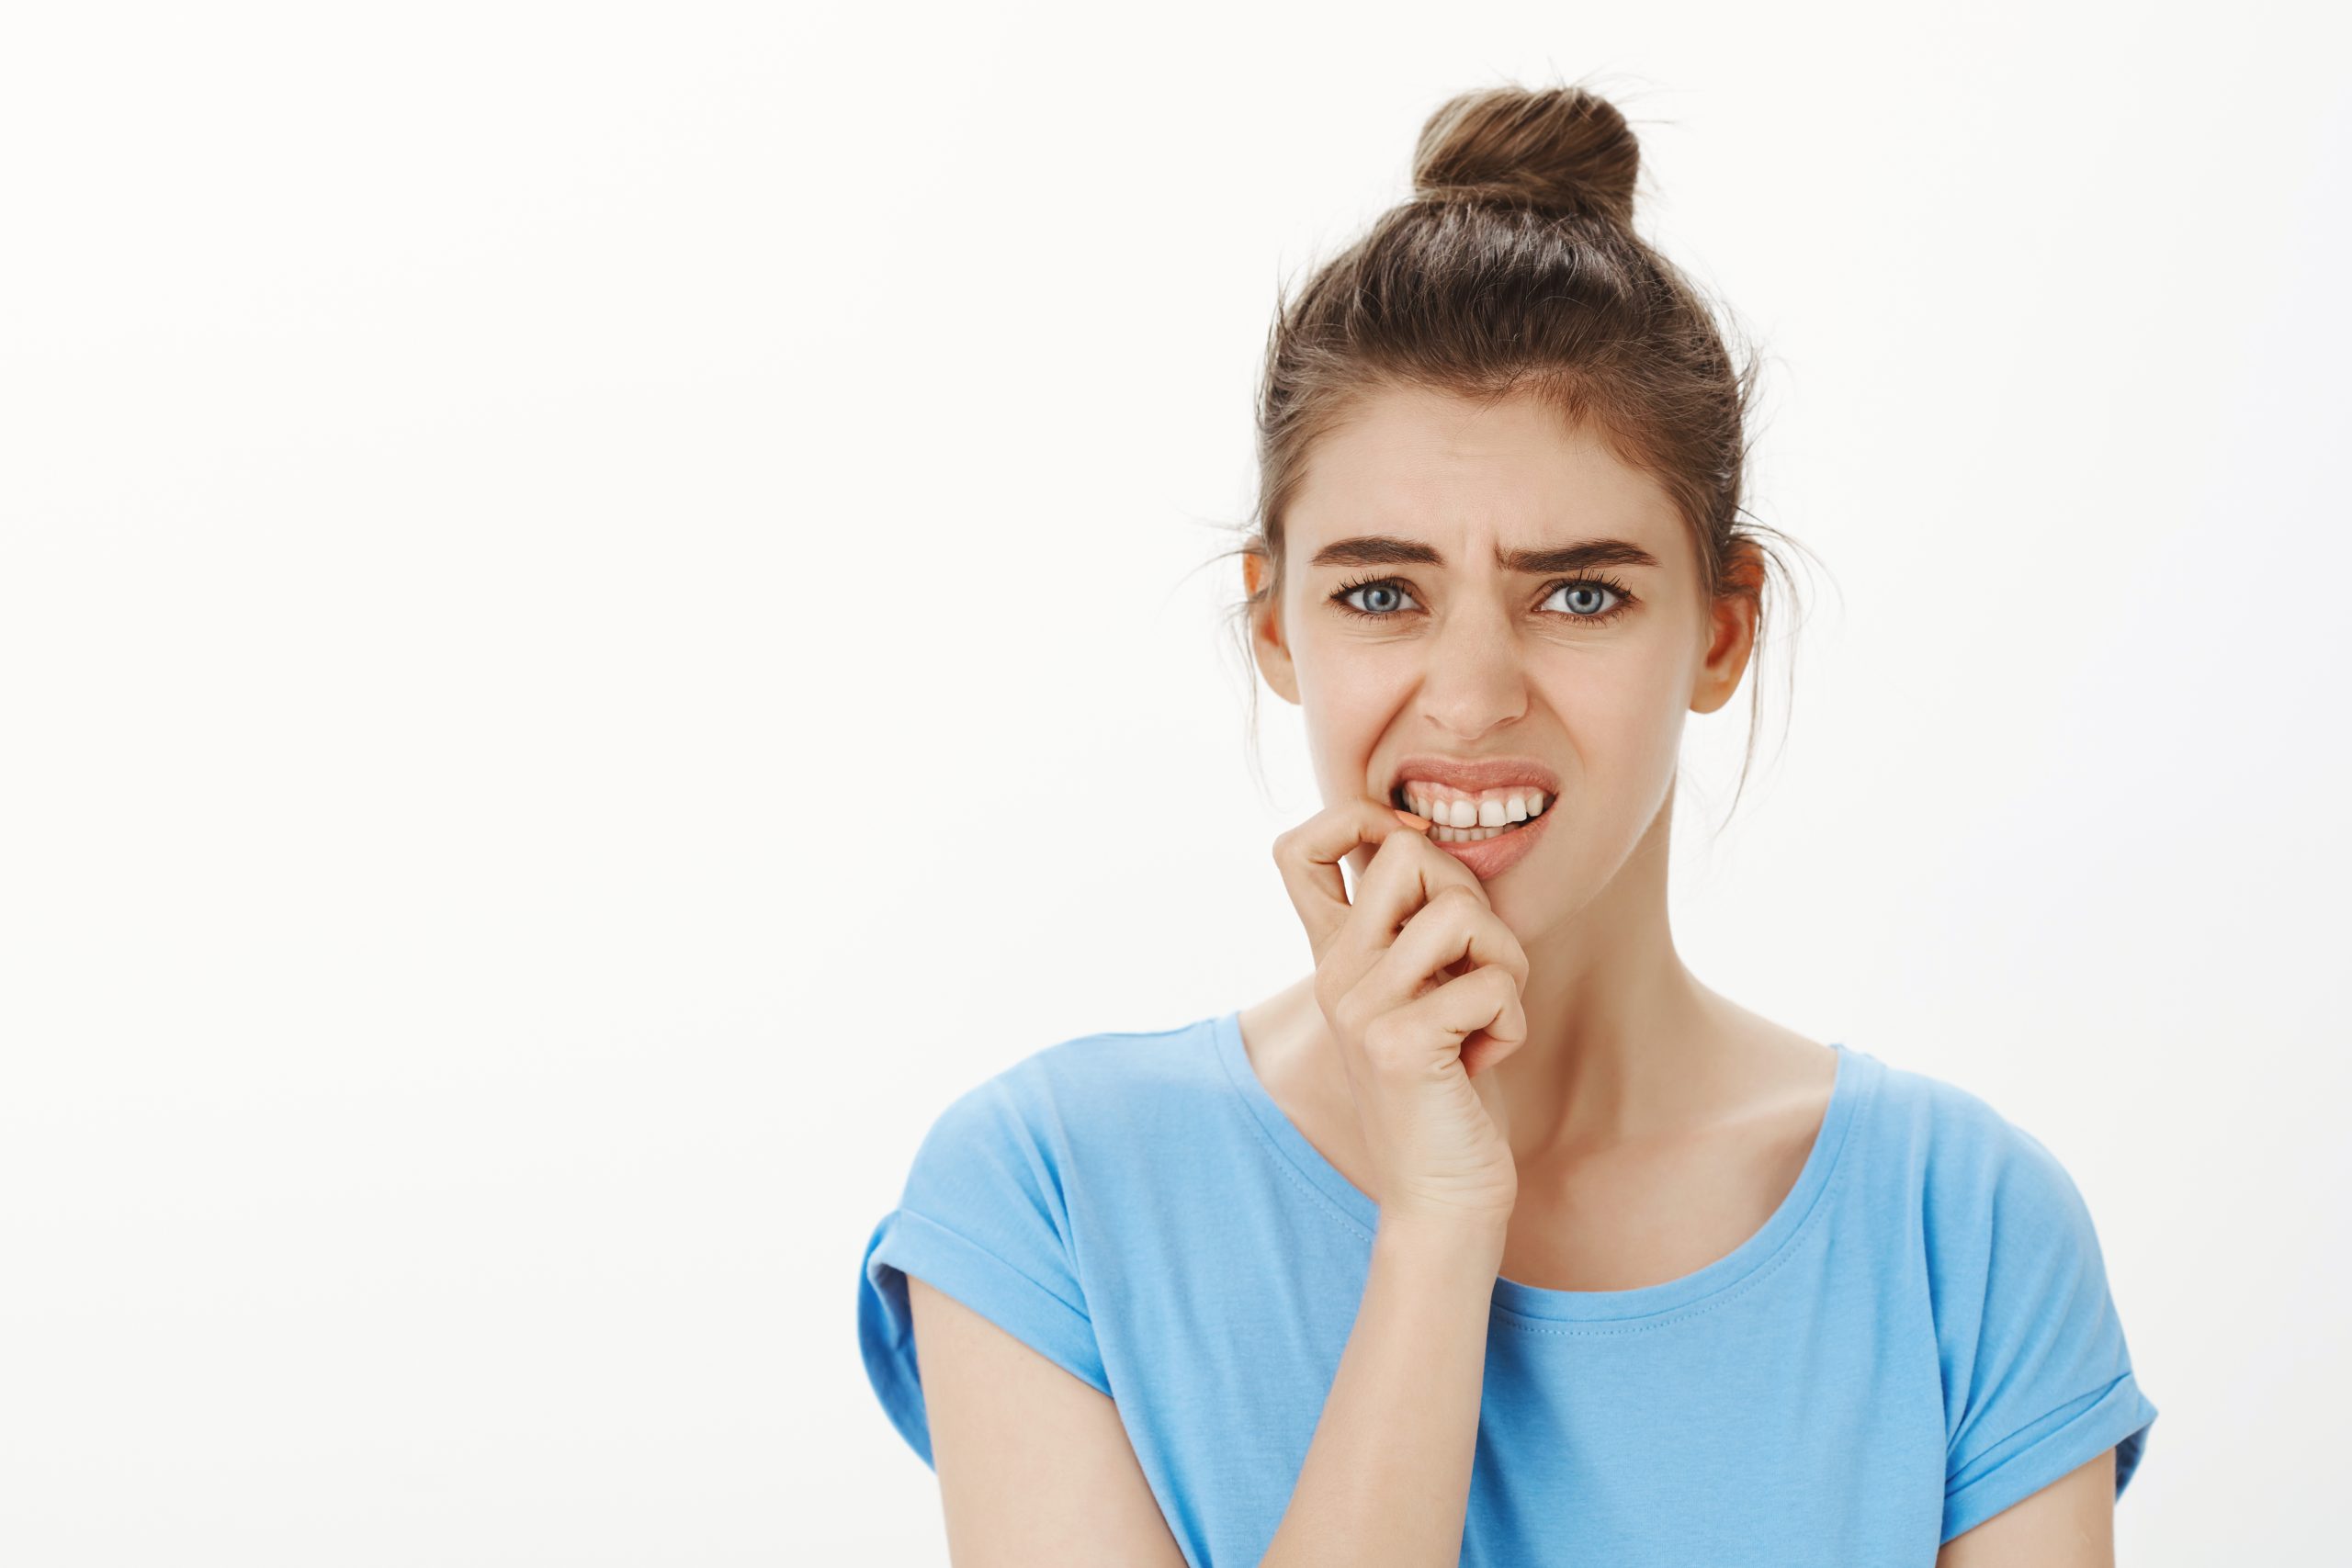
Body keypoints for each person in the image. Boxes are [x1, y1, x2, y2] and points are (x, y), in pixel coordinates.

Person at [856, 80, 2156, 1566]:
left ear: (1724, 633)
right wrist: (1437, 1228)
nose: (1470, 700)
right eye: (1381, 593)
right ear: (1274, 628)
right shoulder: (1046, 1201)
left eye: (1579, 593)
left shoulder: (1964, 1237)